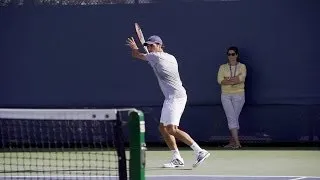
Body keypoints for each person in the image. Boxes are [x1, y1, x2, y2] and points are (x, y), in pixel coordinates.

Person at [126, 35, 210, 168]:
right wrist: (147, 54)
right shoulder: (170, 57)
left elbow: (136, 55)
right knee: (163, 128)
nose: (149, 48)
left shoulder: (156, 57)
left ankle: (199, 151)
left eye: (152, 45)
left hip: (176, 97)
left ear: (159, 45)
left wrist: (135, 47)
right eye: (147, 46)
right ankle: (177, 158)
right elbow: (151, 60)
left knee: (172, 129)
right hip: (172, 97)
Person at [217, 46, 247, 149]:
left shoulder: (242, 66)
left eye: (233, 54)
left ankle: (233, 143)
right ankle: (237, 143)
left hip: (239, 95)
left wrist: (228, 79)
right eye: (229, 54)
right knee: (232, 118)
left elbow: (241, 79)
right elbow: (220, 80)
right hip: (225, 95)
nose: (231, 56)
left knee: (233, 118)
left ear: (237, 55)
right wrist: (234, 79)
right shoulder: (222, 67)